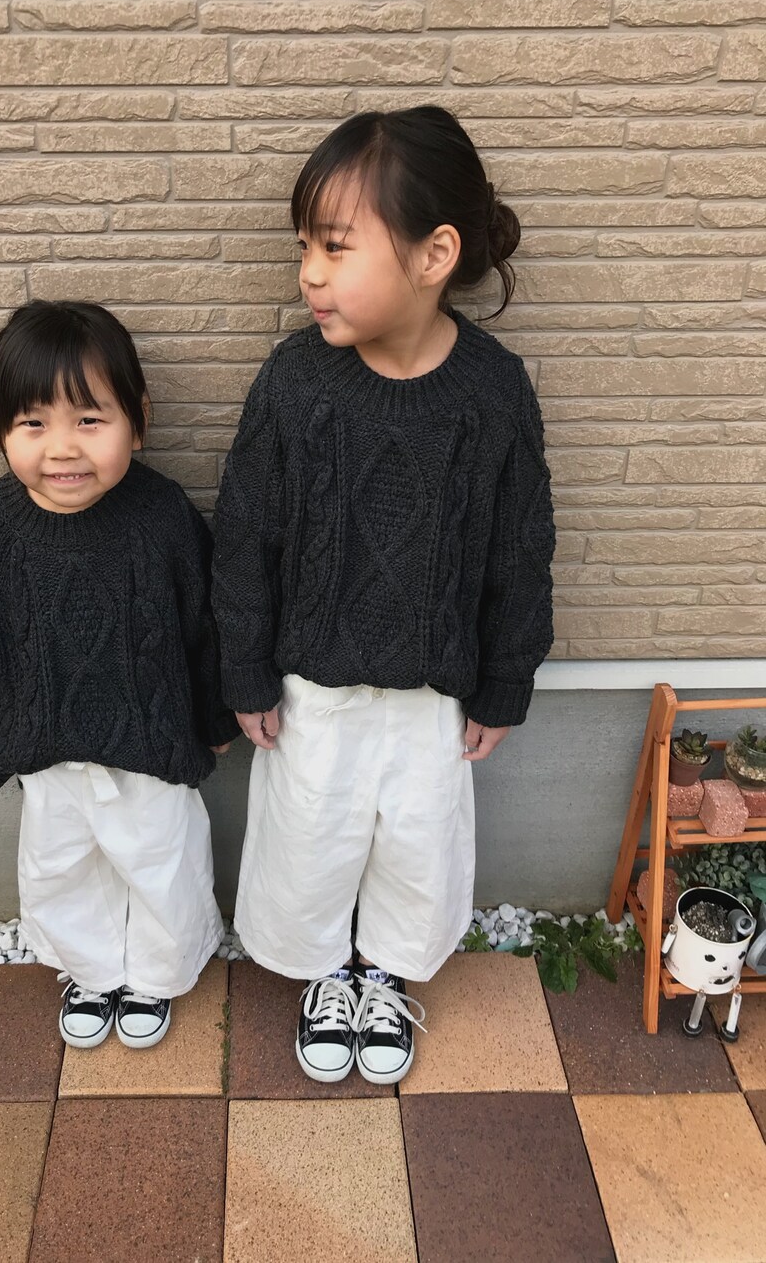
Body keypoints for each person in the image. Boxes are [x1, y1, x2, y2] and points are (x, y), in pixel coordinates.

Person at [212, 106, 555, 1085]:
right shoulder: (296, 383)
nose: (308, 274)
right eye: (303, 248)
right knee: (308, 838)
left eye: (334, 246)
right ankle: (325, 968)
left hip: (433, 696)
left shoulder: (493, 393)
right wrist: (244, 669)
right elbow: (244, 535)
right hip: (311, 689)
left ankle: (387, 970)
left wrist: (504, 680)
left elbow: (522, 547)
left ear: (433, 254)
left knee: (418, 847)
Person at [0, 300, 238, 1050]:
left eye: (89, 419)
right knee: (60, 867)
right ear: (0, 431)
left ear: (137, 421)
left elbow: (205, 629)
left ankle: (158, 973)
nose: (62, 448)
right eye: (33, 423)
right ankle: (92, 968)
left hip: (151, 744)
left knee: (161, 863)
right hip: (46, 749)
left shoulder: (162, 517)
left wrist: (215, 720)